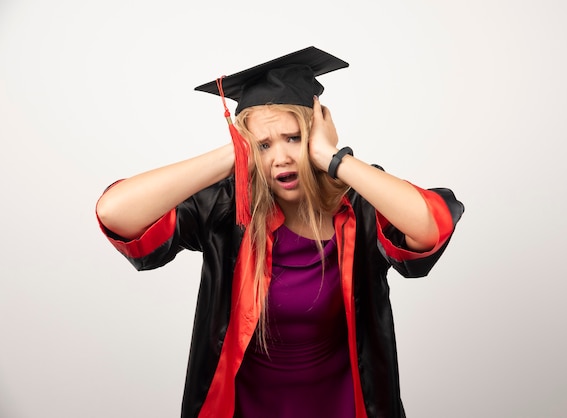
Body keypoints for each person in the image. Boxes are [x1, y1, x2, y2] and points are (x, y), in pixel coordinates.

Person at [96, 46, 464, 418]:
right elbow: (115, 213)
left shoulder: (359, 204)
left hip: (345, 406)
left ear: (316, 134)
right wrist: (235, 154)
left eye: (293, 138)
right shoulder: (227, 207)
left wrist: (333, 158)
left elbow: (430, 228)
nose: (280, 157)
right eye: (264, 145)